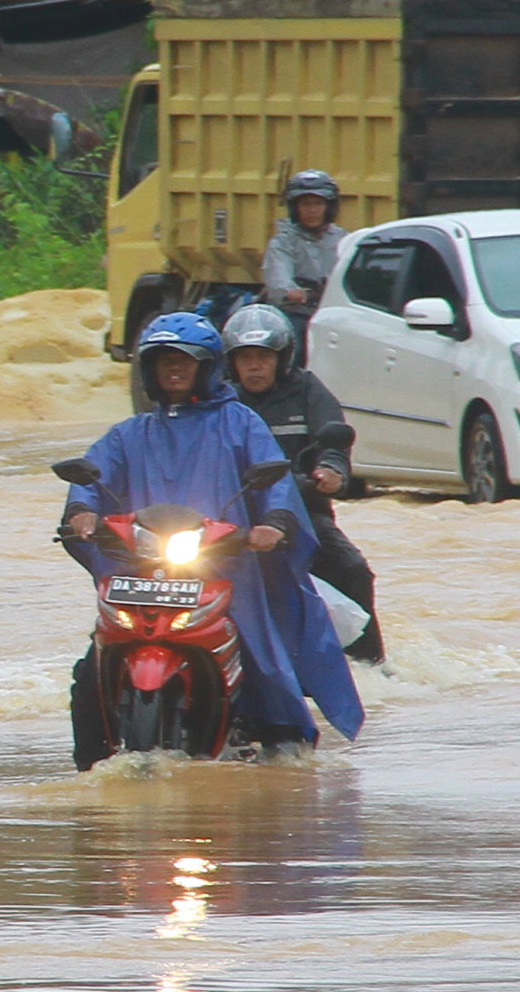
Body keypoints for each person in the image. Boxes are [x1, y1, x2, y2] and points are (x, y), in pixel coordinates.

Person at [60, 313, 364, 757]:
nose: (174, 369)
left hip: (225, 566)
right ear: (148, 369)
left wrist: (273, 524)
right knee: (92, 668)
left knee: (261, 652)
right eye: (163, 361)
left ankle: (283, 737)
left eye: (185, 360)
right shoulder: (130, 433)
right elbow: (93, 474)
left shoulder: (240, 422)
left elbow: (275, 481)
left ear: (207, 366)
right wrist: (83, 511)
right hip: (142, 571)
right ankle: (91, 768)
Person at [218, 302, 381, 660]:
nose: (255, 366)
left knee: (353, 571)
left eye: (264, 356)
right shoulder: (220, 401)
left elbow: (332, 438)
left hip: (303, 515)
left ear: (283, 357)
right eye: (246, 358)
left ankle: (369, 664)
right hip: (230, 518)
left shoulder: (306, 389)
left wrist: (331, 471)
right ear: (231, 362)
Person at [257, 170, 347, 320]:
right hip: (296, 313)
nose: (312, 210)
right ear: (295, 208)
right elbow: (278, 273)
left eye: (318, 204)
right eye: (305, 204)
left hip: (333, 314)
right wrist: (291, 291)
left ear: (330, 207)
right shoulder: (283, 241)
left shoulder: (343, 239)